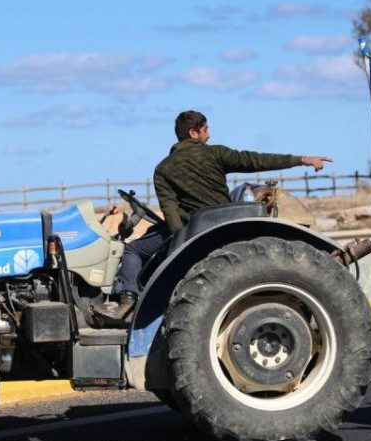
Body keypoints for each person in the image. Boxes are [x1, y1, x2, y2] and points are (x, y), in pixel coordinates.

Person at [98, 110, 331, 321]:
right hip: (224, 221)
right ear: (193, 132)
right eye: (206, 130)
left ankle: (127, 300)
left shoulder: (164, 169)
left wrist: (178, 253)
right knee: (152, 232)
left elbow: (171, 214)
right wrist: (301, 159)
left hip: (194, 227)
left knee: (132, 249)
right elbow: (256, 160)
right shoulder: (215, 155)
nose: (209, 135)